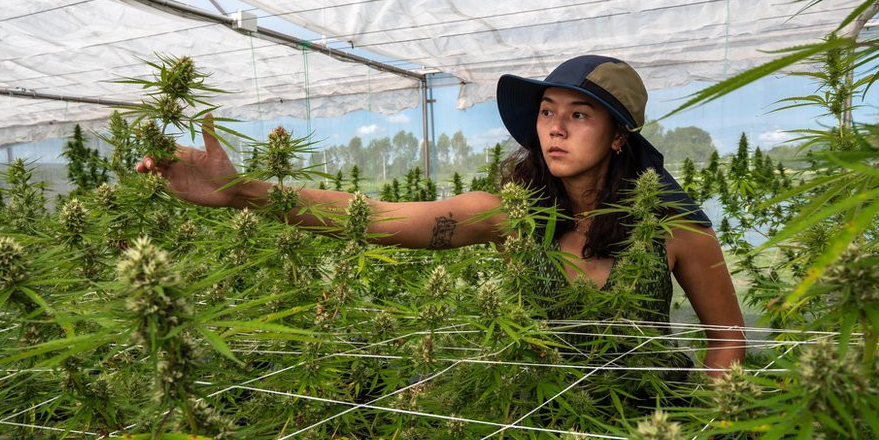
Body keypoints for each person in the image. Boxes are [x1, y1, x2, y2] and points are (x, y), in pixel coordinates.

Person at [137, 55, 746, 374]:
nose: (555, 127)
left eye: (580, 115)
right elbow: (380, 216)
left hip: (649, 425)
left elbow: (727, 341)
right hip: (539, 417)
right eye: (547, 111)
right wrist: (245, 189)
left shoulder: (677, 229)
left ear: (619, 135)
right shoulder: (513, 215)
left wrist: (716, 428)